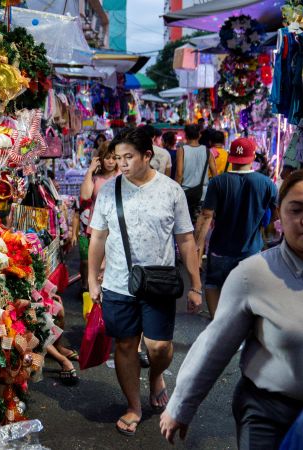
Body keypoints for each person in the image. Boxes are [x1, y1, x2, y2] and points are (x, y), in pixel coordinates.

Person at [161, 169, 303, 449]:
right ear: (279, 215)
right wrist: (181, 407)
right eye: (296, 209)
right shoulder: (251, 275)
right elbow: (214, 345)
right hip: (270, 414)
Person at [88, 127, 203, 437]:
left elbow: (186, 240)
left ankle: (156, 376)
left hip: (158, 284)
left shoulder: (170, 191)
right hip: (117, 283)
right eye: (118, 157)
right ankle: (134, 406)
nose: (122, 164)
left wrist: (195, 285)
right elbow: (98, 237)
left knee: (160, 347)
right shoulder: (110, 190)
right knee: (125, 345)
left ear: (147, 156)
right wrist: (92, 279)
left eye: (129, 157)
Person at [193, 138, 278, 318]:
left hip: (219, 250)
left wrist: (197, 250)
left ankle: (217, 325)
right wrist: (264, 226)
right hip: (251, 250)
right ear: (253, 156)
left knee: (213, 284)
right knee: (247, 290)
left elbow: (206, 216)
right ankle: (241, 329)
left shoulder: (217, 182)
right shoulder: (267, 183)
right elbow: (277, 212)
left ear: (231, 157)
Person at [77, 142, 118, 291]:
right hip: (97, 226)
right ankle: (94, 293)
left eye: (114, 158)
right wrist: (90, 171)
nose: (111, 161)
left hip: (116, 226)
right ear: (100, 158)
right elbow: (85, 195)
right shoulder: (95, 177)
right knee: (95, 261)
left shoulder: (122, 176)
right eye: (107, 157)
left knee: (112, 262)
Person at [175, 124, 217, 225]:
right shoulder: (207, 151)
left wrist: (175, 190)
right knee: (198, 225)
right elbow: (215, 174)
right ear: (199, 135)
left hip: (185, 193)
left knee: (185, 225)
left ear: (186, 135)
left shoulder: (182, 150)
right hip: (202, 194)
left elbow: (179, 173)